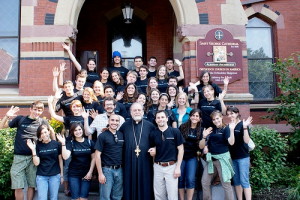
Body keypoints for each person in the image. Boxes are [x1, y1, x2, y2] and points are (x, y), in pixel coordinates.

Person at [0, 101, 52, 200]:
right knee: (18, 186)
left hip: (34, 158)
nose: (37, 112)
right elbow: (1, 127)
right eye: (35, 109)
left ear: (42, 111)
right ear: (31, 109)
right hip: (19, 158)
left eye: (39, 110)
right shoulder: (20, 119)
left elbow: (51, 132)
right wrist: (7, 116)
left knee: (31, 185)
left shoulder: (43, 122)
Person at [119, 103, 156, 200]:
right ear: (130, 112)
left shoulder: (150, 126)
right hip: (129, 161)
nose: (137, 112)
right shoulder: (124, 126)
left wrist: (155, 149)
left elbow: (156, 142)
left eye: (139, 110)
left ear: (143, 112)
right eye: (134, 110)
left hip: (145, 161)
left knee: (145, 183)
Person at [148, 110, 184, 200]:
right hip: (157, 166)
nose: (161, 119)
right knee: (159, 195)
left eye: (162, 117)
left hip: (171, 166)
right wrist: (154, 151)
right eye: (158, 118)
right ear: (155, 120)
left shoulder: (175, 131)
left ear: (167, 119)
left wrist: (178, 167)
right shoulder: (153, 133)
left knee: (172, 195)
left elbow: (181, 149)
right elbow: (153, 149)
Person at [200, 110, 235, 200]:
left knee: (226, 184)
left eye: (217, 118)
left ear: (221, 117)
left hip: (222, 160)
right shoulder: (213, 129)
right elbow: (210, 141)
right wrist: (206, 146)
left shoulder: (226, 129)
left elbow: (231, 143)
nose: (216, 121)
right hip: (211, 160)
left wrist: (231, 130)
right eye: (214, 119)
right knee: (205, 182)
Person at [57, 123, 96, 200]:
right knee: (76, 198)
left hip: (86, 174)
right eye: (75, 130)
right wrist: (63, 143)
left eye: (79, 129)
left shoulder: (89, 142)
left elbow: (94, 158)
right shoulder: (71, 143)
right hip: (74, 174)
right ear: (72, 132)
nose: (78, 132)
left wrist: (90, 172)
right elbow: (65, 156)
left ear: (82, 130)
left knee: (83, 198)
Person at [26, 124, 63, 200]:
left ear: (49, 132)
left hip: (55, 175)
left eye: (45, 132)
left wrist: (61, 175)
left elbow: (60, 160)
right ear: (39, 136)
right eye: (41, 133)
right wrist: (33, 150)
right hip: (42, 176)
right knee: (42, 198)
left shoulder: (57, 144)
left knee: (53, 198)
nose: (44, 135)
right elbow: (36, 163)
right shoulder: (38, 146)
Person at [94, 114, 124, 200]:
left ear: (119, 122)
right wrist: (100, 173)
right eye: (112, 120)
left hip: (120, 170)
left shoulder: (122, 135)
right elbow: (97, 155)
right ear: (108, 121)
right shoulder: (102, 136)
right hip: (107, 170)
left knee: (117, 197)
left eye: (116, 121)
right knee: (105, 197)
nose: (114, 122)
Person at [227, 106, 253, 200]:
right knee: (236, 181)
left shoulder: (243, 124)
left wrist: (245, 127)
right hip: (233, 157)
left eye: (232, 113)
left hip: (243, 157)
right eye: (228, 114)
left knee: (244, 181)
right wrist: (231, 129)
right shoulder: (229, 126)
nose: (230, 116)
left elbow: (246, 141)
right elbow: (230, 142)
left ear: (237, 113)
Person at [178, 109, 203, 200]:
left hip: (192, 157)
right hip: (181, 156)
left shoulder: (201, 130)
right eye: (193, 115)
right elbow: (178, 142)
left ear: (199, 118)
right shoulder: (183, 127)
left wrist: (204, 137)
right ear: (190, 116)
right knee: (180, 179)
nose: (194, 117)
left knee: (190, 179)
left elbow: (201, 147)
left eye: (197, 116)